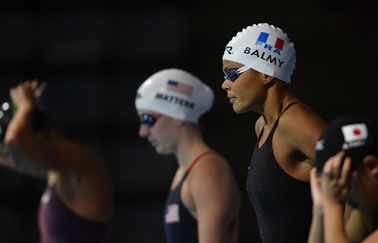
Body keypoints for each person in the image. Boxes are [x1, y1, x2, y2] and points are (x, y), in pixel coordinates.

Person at [221, 23, 326, 243]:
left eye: (232, 73)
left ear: (266, 74)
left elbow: (361, 180)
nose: (224, 84)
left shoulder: (295, 121)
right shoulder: (262, 126)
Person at [135, 68, 241, 243]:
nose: (143, 131)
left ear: (177, 113)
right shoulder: (185, 172)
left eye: (148, 119)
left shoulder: (208, 172)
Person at [0, 80, 113, 243]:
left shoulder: (82, 164)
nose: (16, 162)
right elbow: (16, 153)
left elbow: (14, 141)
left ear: (36, 136)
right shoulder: (58, 171)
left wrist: (26, 106)